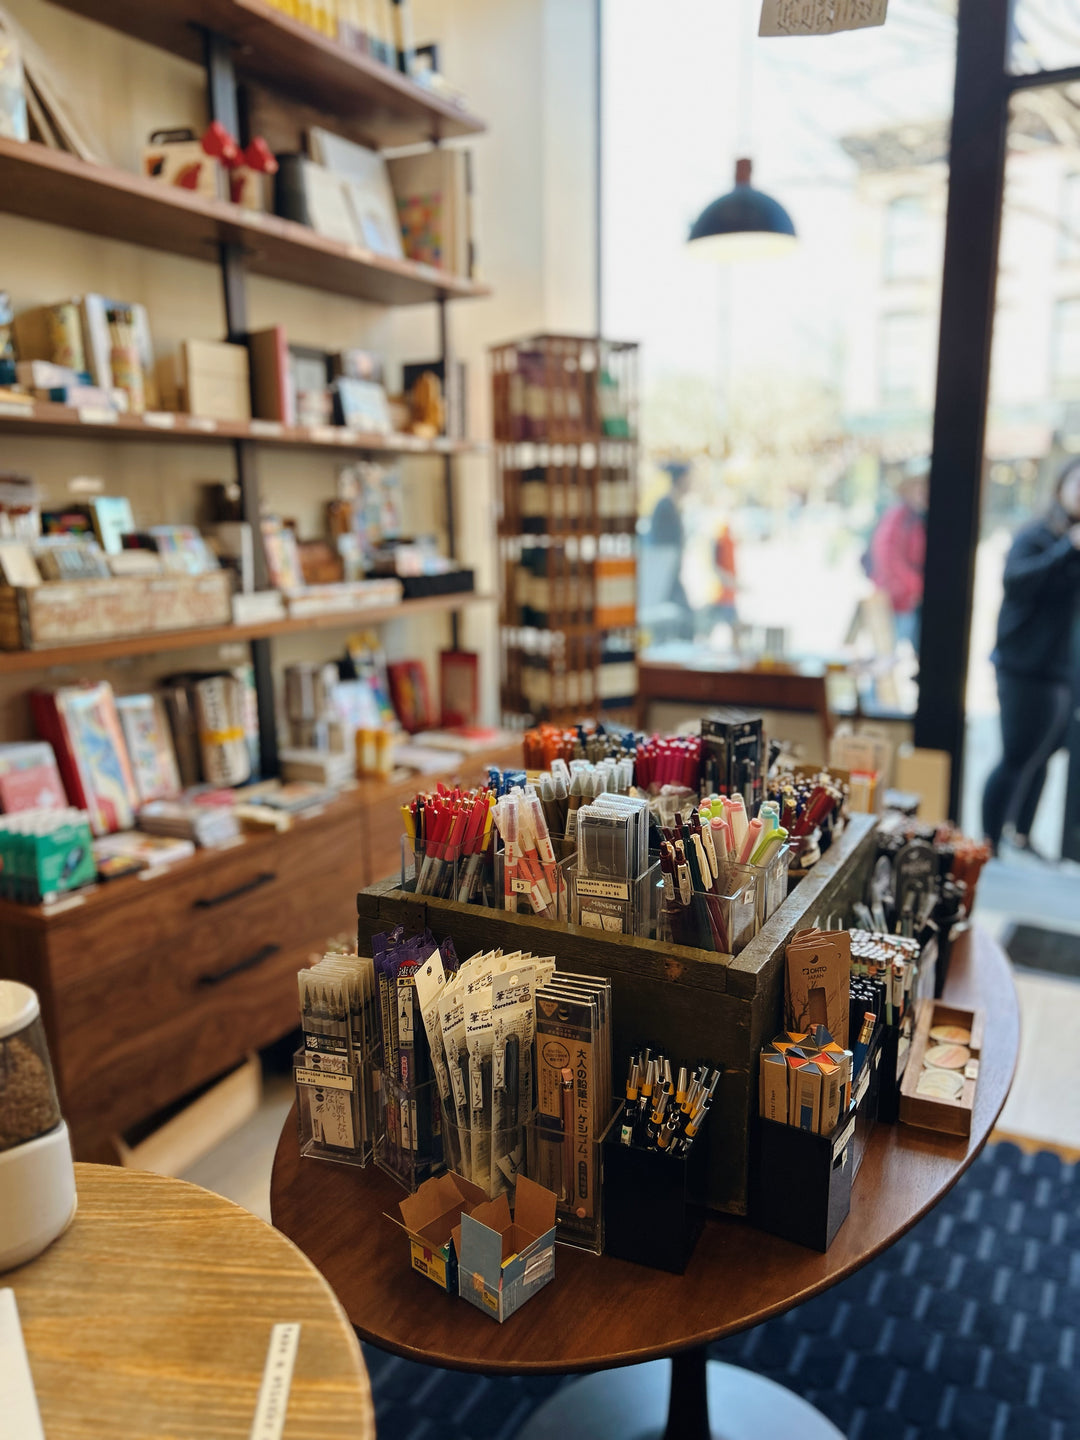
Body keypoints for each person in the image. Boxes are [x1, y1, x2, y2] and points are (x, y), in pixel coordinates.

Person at [982, 461, 1080, 858]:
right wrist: (1068, 548)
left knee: (1042, 756)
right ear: (1061, 485)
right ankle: (988, 842)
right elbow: (1017, 582)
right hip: (1023, 668)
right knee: (1016, 756)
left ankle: (1019, 833)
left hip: (1060, 669)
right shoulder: (1038, 536)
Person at [866, 465, 928, 650]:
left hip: (908, 601)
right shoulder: (898, 516)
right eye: (919, 486)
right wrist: (915, 585)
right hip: (894, 601)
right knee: (885, 660)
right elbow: (887, 557)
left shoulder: (917, 517)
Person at [646, 461, 694, 639]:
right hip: (665, 579)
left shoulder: (674, 507)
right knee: (684, 623)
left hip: (673, 576)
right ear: (680, 480)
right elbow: (659, 549)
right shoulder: (664, 508)